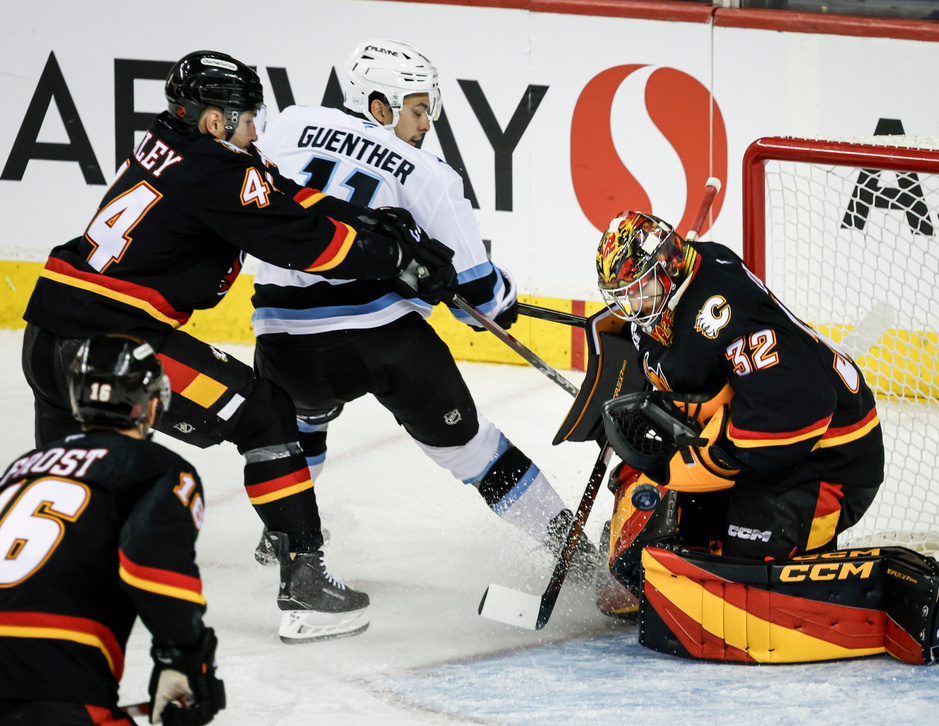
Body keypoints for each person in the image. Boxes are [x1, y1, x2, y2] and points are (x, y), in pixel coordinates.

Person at [19, 50, 457, 643]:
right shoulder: (216, 173)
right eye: (247, 117)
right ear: (212, 121)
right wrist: (396, 260)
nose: (256, 129)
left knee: (72, 473)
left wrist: (370, 223)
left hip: (48, 338)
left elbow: (280, 195)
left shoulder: (173, 140)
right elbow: (296, 240)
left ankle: (51, 598)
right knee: (267, 414)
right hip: (116, 349)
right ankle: (305, 587)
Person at [250, 39, 597, 587]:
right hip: (383, 343)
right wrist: (501, 298)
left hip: (284, 338)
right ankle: (578, 559)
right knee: (474, 450)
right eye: (417, 108)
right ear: (379, 108)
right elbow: (479, 298)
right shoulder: (427, 173)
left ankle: (286, 540)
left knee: (299, 424)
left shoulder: (287, 126)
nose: (426, 122)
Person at [592, 211, 939, 665]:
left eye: (639, 290)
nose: (633, 306)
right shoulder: (694, 276)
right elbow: (697, 373)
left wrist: (701, 462)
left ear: (666, 268)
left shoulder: (721, 315)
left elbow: (799, 411)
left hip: (829, 464)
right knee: (659, 503)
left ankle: (916, 596)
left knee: (740, 572)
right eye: (624, 296)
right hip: (776, 444)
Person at [0, 334, 225, 725]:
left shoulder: (23, 466)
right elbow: (152, 567)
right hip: (55, 671)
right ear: (151, 406)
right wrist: (184, 657)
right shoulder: (156, 467)